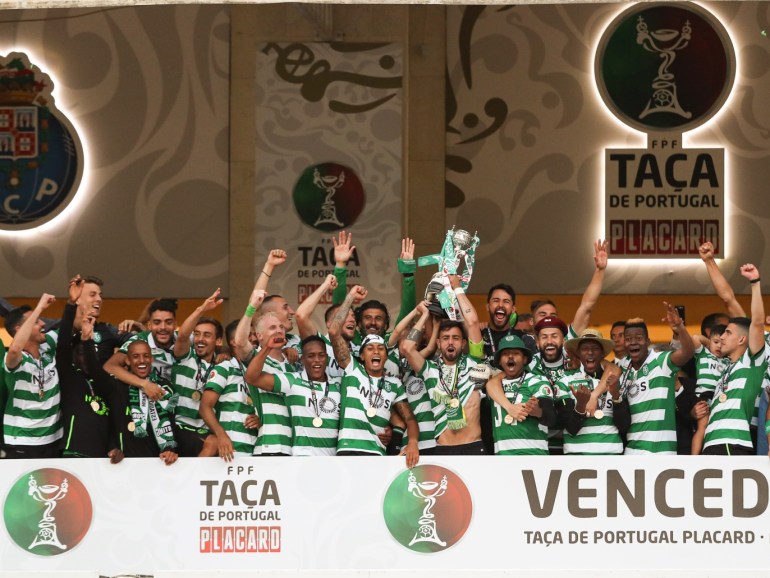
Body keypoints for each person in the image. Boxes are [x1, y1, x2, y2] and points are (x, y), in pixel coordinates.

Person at [329, 285, 419, 467]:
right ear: (361, 355)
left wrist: (412, 443)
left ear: (386, 355)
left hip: (377, 453)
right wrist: (350, 298)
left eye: (380, 349)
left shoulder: (394, 384)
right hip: (347, 450)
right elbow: (333, 331)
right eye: (370, 349)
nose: (375, 352)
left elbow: (409, 418)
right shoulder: (352, 368)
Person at [401, 280, 485, 454]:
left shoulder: (475, 362)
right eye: (445, 338)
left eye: (455, 338)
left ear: (463, 343)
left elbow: (473, 322)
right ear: (438, 343)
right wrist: (424, 315)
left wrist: (457, 287)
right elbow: (406, 348)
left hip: (474, 447)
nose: (450, 342)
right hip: (443, 449)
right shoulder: (429, 369)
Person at [56, 276, 123, 461]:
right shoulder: (70, 379)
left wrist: (114, 446)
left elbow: (94, 368)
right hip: (74, 455)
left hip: (103, 459)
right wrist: (70, 304)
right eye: (93, 294)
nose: (99, 299)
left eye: (100, 295)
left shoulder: (104, 383)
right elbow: (62, 346)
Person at [614, 304, 694, 455]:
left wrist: (679, 327)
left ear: (648, 341)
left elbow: (688, 352)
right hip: (632, 452)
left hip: (661, 452)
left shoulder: (661, 361)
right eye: (628, 339)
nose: (633, 342)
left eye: (638, 338)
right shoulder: (623, 368)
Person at [703, 264, 767, 455]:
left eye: (727, 333)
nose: (721, 337)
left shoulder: (751, 361)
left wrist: (754, 282)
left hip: (732, 443)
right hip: (712, 443)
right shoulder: (727, 368)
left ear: (742, 339)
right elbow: (727, 298)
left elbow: (756, 322)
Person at [245, 334, 341, 456]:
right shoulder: (292, 381)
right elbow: (251, 378)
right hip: (300, 459)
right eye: (311, 356)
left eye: (321, 355)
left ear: (327, 358)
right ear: (303, 360)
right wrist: (267, 348)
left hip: (332, 460)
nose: (317, 360)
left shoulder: (339, 384)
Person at [3, 294, 62, 458]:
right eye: (36, 321)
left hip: (53, 440)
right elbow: (15, 349)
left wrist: (74, 300)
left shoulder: (47, 345)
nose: (43, 324)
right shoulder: (14, 360)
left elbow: (72, 323)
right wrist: (39, 307)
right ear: (20, 329)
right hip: (21, 442)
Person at [171, 289, 224, 457]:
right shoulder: (186, 357)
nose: (200, 339)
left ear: (218, 341)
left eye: (207, 335)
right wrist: (201, 308)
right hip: (179, 427)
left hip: (202, 432)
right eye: (197, 334)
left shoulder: (223, 366)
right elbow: (182, 337)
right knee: (214, 442)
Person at [199, 320, 260, 460]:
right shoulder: (224, 368)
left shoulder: (259, 372)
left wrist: (260, 420)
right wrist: (221, 435)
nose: (255, 338)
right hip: (228, 451)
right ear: (234, 341)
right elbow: (205, 407)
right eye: (249, 335)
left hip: (254, 451)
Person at [556, 329, 623, 455]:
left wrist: (616, 397)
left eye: (595, 348)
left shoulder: (614, 380)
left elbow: (624, 425)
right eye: (585, 349)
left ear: (602, 354)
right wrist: (581, 405)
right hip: (577, 456)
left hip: (612, 455)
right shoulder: (565, 381)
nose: (590, 352)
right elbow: (571, 428)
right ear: (578, 354)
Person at [485, 335, 555, 455]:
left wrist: (537, 411)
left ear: (525, 359)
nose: (510, 356)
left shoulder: (536, 380)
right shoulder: (495, 386)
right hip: (503, 457)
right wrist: (510, 407)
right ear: (500, 361)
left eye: (516, 353)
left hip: (533, 455)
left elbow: (552, 417)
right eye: (505, 353)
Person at [103, 299, 179, 400]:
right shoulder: (139, 340)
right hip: (147, 406)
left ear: (175, 324)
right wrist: (144, 384)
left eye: (168, 322)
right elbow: (110, 366)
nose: (163, 327)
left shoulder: (184, 340)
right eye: (157, 322)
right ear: (149, 325)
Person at [482, 283, 536, 361]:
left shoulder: (523, 338)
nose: (500, 305)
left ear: (513, 309)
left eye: (506, 301)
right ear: (488, 307)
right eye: (496, 300)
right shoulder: (478, 334)